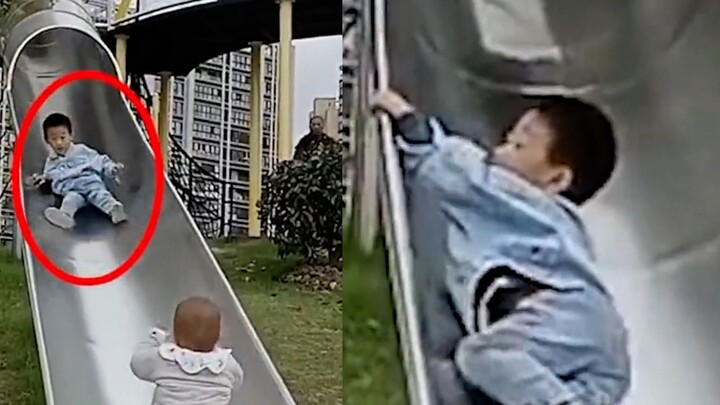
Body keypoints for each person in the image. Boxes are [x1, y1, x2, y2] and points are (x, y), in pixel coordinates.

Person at [371, 89, 630, 404]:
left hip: (566, 313)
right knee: (477, 378)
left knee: (484, 355)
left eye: (519, 145)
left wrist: (406, 118)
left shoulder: (513, 194)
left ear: (556, 180)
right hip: (585, 347)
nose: (499, 150)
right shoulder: (544, 226)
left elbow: (449, 166)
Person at [130, 296, 244, 405]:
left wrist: (156, 341)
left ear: (174, 333)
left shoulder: (166, 358)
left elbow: (137, 365)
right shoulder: (225, 364)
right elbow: (237, 381)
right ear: (218, 336)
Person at [27, 112, 127, 229]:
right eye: (54, 139)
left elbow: (99, 160)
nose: (59, 142)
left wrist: (111, 168)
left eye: (63, 137)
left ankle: (114, 209)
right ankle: (65, 216)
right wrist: (41, 180)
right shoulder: (51, 161)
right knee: (70, 201)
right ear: (47, 141)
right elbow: (49, 176)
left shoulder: (81, 150)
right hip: (73, 190)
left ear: (70, 136)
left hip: (89, 183)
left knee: (100, 195)